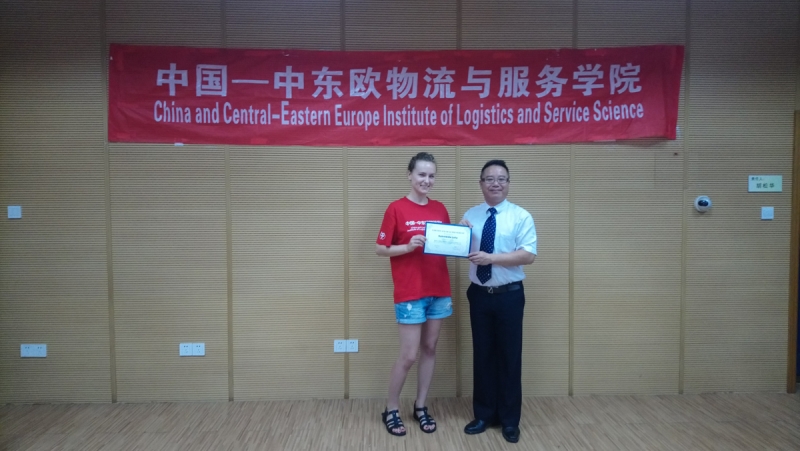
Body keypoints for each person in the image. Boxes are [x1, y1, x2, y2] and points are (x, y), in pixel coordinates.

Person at [375, 152, 453, 437]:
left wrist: (463, 235)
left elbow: (448, 245)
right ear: (409, 175)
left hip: (439, 290)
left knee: (429, 348)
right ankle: (391, 408)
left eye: (431, 175)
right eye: (421, 174)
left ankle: (420, 406)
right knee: (408, 355)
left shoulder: (440, 209)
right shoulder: (396, 208)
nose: (426, 180)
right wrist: (407, 247)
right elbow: (380, 248)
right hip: (410, 292)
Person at [460, 159, 537, 444]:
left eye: (501, 178)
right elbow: (462, 251)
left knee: (509, 357)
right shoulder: (471, 214)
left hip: (509, 296)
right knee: (483, 355)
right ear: (481, 183)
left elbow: (527, 255)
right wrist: (459, 235)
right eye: (489, 179)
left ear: (508, 183)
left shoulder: (520, 216)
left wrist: (491, 258)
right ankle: (483, 415)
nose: (495, 183)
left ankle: (509, 420)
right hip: (479, 294)